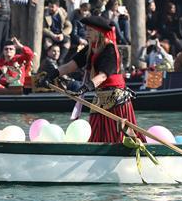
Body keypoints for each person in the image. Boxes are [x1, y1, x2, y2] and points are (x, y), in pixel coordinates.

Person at [47, 15, 141, 143]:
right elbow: (71, 65)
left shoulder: (110, 49)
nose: (86, 33)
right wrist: (52, 74)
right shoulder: (90, 48)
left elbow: (103, 75)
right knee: (96, 135)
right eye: (86, 30)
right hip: (100, 97)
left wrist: (85, 88)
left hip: (116, 99)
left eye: (90, 30)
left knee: (118, 138)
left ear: (99, 32)